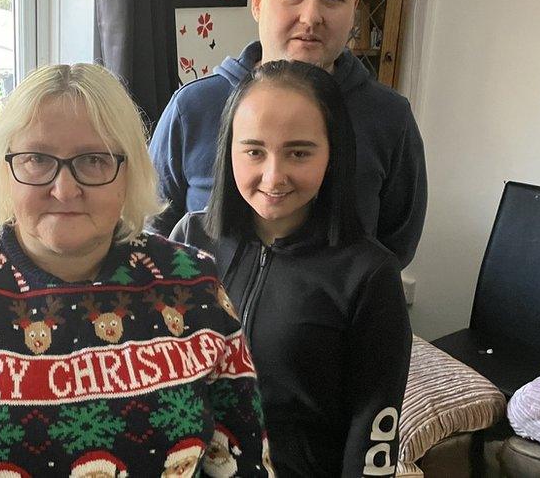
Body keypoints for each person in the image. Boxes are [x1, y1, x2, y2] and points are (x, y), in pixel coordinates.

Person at [0, 63, 274, 477]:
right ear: (6, 169)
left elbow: (242, 460)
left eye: (94, 160)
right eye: (38, 159)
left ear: (128, 172)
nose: (64, 189)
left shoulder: (193, 282)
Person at [172, 60, 411, 478]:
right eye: (254, 151)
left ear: (333, 153)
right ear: (229, 150)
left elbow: (373, 432)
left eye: (298, 152)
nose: (273, 175)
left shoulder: (370, 275)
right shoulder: (190, 240)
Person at [151, 0, 427, 267]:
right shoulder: (192, 109)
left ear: (354, 9)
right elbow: (152, 228)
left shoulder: (390, 118)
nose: (311, 17)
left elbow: (395, 245)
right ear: (257, 1)